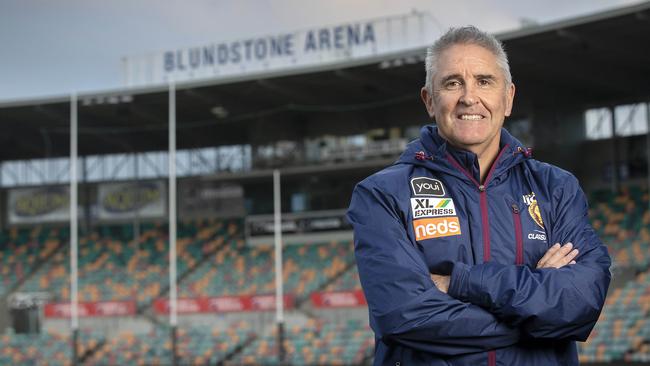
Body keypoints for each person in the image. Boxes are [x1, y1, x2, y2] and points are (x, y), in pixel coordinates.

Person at [347, 26, 611, 366]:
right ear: (429, 100)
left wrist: (459, 281)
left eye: (484, 81)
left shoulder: (556, 188)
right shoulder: (382, 194)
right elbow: (404, 315)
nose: (469, 97)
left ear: (508, 98)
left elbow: (578, 302)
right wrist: (535, 320)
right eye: (452, 82)